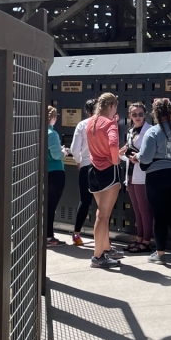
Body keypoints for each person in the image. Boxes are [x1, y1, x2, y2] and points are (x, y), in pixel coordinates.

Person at [137, 98, 171, 264]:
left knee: (159, 214)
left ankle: (160, 253)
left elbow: (146, 158)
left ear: (154, 114)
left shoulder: (153, 132)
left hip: (157, 176)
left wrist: (136, 157)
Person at [85, 93, 123, 269]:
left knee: (101, 213)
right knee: (103, 215)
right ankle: (98, 256)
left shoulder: (90, 122)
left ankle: (105, 248)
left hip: (93, 171)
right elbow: (113, 144)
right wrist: (115, 160)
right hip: (108, 171)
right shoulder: (110, 124)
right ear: (112, 106)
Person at [121, 102, 154, 253]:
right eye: (134, 115)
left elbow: (151, 155)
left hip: (142, 175)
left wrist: (138, 158)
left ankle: (146, 241)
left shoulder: (150, 131)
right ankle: (139, 238)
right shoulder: (130, 131)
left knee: (144, 209)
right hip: (131, 174)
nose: (137, 117)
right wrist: (122, 155)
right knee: (136, 209)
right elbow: (127, 155)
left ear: (145, 115)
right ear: (130, 116)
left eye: (140, 114)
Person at [69, 98, 96, 246]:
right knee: (102, 204)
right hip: (102, 167)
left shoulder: (82, 124)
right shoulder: (105, 123)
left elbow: (74, 148)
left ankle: (76, 234)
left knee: (84, 201)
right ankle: (103, 238)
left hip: (86, 166)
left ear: (86, 111)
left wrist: (79, 161)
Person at [46, 106, 66, 248]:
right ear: (52, 118)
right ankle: (49, 236)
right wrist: (63, 151)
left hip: (44, 172)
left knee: (46, 205)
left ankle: (45, 235)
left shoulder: (38, 132)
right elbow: (56, 155)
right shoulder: (51, 134)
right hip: (55, 172)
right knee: (51, 206)